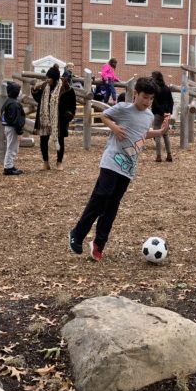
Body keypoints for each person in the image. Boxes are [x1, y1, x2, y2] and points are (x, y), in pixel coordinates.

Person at [69, 77, 170, 261]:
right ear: (136, 94)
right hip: (111, 161)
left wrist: (160, 132)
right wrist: (114, 128)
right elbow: (104, 115)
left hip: (128, 167)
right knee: (100, 198)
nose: (147, 102)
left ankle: (99, 244)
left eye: (151, 99)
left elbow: (142, 134)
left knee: (112, 206)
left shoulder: (148, 116)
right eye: (144, 97)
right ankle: (77, 233)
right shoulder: (124, 108)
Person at [32, 67, 77, 171]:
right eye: (47, 77)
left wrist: (69, 114)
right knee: (43, 140)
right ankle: (45, 162)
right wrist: (34, 89)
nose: (47, 79)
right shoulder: (44, 86)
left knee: (60, 140)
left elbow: (72, 102)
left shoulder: (65, 87)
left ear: (55, 78)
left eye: (49, 78)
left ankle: (59, 162)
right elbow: (38, 99)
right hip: (45, 118)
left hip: (60, 118)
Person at [0, 82, 26, 176]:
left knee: (11, 147)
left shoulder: (8, 101)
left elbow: (2, 114)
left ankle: (10, 165)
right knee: (12, 148)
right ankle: (8, 168)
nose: (20, 92)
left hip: (9, 127)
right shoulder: (14, 104)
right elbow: (16, 119)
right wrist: (19, 132)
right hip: (12, 128)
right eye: (19, 90)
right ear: (16, 92)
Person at [151, 71, 174, 162]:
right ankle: (169, 155)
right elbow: (171, 101)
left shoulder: (155, 89)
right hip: (166, 114)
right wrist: (168, 112)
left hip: (157, 113)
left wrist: (162, 112)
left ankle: (158, 156)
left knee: (157, 134)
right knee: (165, 134)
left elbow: (155, 103)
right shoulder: (167, 88)